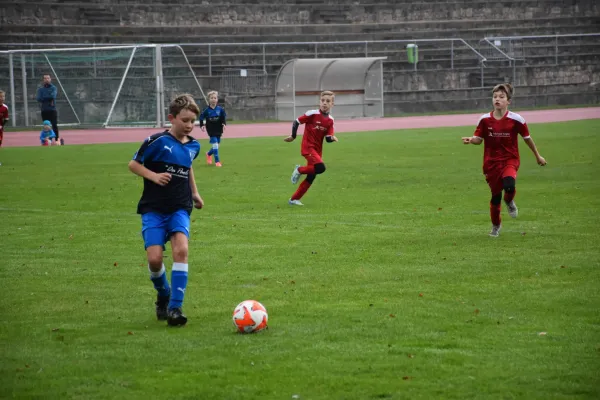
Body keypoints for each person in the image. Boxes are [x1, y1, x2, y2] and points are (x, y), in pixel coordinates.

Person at [128, 94, 204, 327]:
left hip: (180, 207)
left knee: (181, 250)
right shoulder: (156, 141)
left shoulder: (194, 145)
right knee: (154, 259)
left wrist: (194, 192)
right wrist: (154, 176)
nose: (190, 125)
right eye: (185, 120)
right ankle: (163, 294)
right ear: (172, 118)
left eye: (193, 121)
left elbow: (188, 167)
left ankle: (175, 308)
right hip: (153, 208)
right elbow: (133, 164)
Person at [461, 83, 547, 237]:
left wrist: (538, 156)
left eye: (501, 97)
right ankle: (496, 226)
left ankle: (509, 201)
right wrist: (471, 140)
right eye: (495, 97)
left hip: (510, 160)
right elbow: (479, 139)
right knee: (495, 197)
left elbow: (527, 139)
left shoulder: (517, 120)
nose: (497, 99)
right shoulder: (485, 120)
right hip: (491, 163)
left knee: (509, 185)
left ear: (508, 101)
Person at [284, 90, 338, 206]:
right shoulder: (312, 114)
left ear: (332, 104)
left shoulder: (330, 120)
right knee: (321, 168)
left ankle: (294, 199)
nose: (324, 103)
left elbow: (328, 139)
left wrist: (332, 138)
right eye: (322, 100)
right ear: (320, 102)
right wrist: (293, 136)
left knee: (312, 175)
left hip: (317, 151)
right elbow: (296, 121)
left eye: (328, 101)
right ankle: (299, 170)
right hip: (308, 147)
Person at [199, 91, 227, 167]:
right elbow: (201, 117)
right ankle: (217, 161)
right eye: (212, 98)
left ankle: (208, 154)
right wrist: (202, 125)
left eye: (215, 98)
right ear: (209, 99)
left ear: (217, 99)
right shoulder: (206, 110)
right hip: (211, 129)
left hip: (218, 129)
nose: (213, 99)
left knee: (217, 145)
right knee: (215, 144)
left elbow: (223, 117)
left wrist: (224, 124)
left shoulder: (220, 109)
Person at [36, 74, 61, 145]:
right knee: (46, 126)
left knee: (54, 124)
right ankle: (47, 140)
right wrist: (47, 97)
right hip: (44, 110)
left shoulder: (53, 88)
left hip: (52, 109)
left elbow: (53, 96)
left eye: (48, 78)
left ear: (50, 79)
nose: (46, 79)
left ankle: (57, 140)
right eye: (45, 78)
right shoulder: (40, 89)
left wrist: (44, 97)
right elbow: (38, 98)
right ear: (43, 80)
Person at [0, 90, 8, 166]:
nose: (2, 98)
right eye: (0, 96)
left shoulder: (5, 108)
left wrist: (2, 125)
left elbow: (6, 118)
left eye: (3, 96)